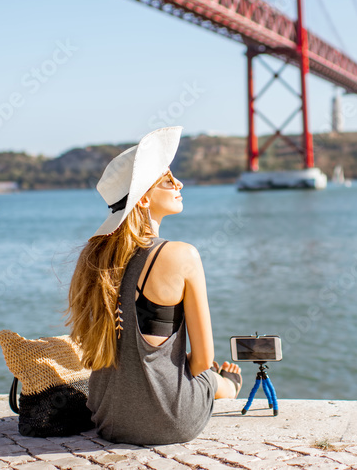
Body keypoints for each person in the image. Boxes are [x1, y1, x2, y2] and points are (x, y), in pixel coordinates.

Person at [64, 125, 242, 445]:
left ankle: (222, 381)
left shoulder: (93, 258)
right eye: (168, 180)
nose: (179, 183)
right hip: (170, 420)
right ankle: (228, 384)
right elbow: (201, 359)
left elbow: (92, 355)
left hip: (108, 419)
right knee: (209, 373)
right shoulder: (181, 255)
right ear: (144, 199)